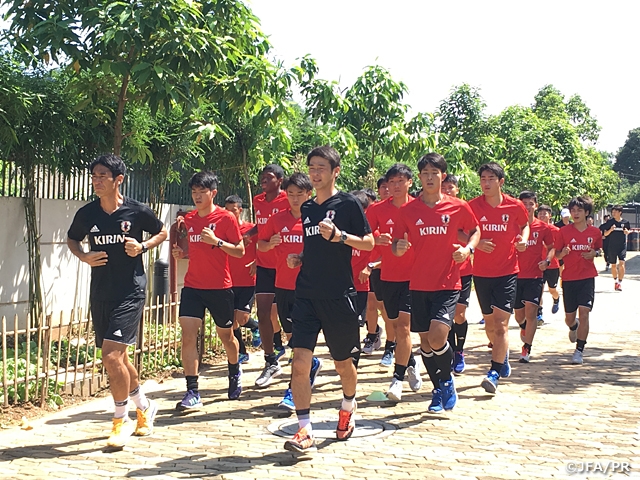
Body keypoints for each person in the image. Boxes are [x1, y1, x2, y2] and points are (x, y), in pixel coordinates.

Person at [67, 154, 167, 447]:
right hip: (101, 291)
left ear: (118, 180)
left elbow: (162, 230)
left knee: (111, 356)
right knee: (119, 359)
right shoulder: (87, 214)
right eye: (94, 176)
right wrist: (84, 256)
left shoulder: (136, 212)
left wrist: (143, 246)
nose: (96, 181)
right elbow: (72, 239)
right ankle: (145, 407)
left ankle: (119, 421)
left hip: (131, 291)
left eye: (102, 176)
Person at [283, 146, 374, 453]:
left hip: (339, 296)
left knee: (343, 364)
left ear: (335, 172)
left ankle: (348, 405)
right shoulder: (307, 208)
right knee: (299, 363)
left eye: (321, 167)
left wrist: (340, 237)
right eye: (312, 167)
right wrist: (300, 257)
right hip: (306, 294)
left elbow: (369, 242)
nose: (315, 173)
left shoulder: (347, 204)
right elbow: (314, 247)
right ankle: (304, 430)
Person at [393, 153, 479, 412]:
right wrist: (399, 247)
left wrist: (468, 250)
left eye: (435, 173)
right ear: (419, 177)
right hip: (418, 284)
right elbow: (397, 245)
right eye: (425, 173)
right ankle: (439, 387)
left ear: (443, 176)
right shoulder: (408, 210)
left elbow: (475, 231)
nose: (430, 178)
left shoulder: (458, 206)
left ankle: (447, 380)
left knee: (438, 337)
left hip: (448, 282)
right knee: (426, 343)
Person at [172, 172, 245, 409]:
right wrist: (182, 254)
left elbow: (240, 251)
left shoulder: (226, 218)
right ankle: (192, 391)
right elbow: (195, 249)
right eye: (194, 192)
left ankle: (234, 371)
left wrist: (218, 242)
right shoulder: (190, 218)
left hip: (220, 287)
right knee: (188, 335)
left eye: (201, 192)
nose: (197, 197)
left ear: (213, 193)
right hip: (193, 285)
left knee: (226, 336)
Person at [257, 172, 323, 411]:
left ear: (309, 194)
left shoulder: (316, 219)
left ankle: (293, 391)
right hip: (283, 286)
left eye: (300, 194)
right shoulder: (277, 219)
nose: (295, 199)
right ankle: (312, 364)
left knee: (299, 343)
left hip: (309, 287)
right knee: (291, 337)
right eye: (291, 194)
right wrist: (270, 244)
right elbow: (260, 244)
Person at [468, 162, 529, 394]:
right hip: (482, 274)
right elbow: (461, 230)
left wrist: (523, 240)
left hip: (507, 272)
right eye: (483, 178)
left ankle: (493, 372)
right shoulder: (472, 206)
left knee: (502, 324)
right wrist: (476, 243)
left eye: (490, 178)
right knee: (490, 325)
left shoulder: (515, 206)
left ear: (500, 182)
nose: (486, 182)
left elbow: (525, 226)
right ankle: (501, 356)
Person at [366, 164, 422, 402]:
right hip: (387, 276)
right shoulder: (377, 210)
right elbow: (366, 238)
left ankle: (396, 379)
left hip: (415, 276)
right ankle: (410, 361)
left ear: (410, 182)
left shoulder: (420, 208)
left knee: (404, 327)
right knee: (395, 326)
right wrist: (377, 240)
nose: (395, 186)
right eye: (392, 182)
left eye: (401, 181)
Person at [252, 165, 291, 386]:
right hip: (265, 264)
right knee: (263, 312)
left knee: (288, 317)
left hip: (286, 265)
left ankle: (301, 359)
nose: (264, 180)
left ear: (280, 180)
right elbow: (260, 227)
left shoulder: (289, 198)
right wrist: (246, 235)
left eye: (269, 177)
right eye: (262, 176)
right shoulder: (257, 201)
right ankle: (270, 360)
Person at [554, 196, 602, 364]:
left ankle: (579, 350)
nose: (575, 213)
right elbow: (557, 253)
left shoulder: (595, 232)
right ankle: (574, 326)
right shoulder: (564, 232)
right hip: (569, 278)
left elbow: (599, 250)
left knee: (585, 312)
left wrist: (594, 254)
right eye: (573, 210)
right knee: (569, 318)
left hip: (587, 278)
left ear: (586, 212)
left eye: (579, 210)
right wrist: (563, 254)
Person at [514, 192, 555, 363]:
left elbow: (552, 248)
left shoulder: (543, 228)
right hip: (514, 275)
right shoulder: (513, 226)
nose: (527, 207)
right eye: (524, 203)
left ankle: (526, 349)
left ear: (535, 206)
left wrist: (547, 261)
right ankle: (523, 327)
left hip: (535, 276)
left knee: (531, 312)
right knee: (519, 316)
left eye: (531, 203)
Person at [441, 175, 473, 373]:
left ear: (457, 189)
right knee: (446, 316)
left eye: (450, 187)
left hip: (463, 269)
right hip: (442, 271)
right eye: (444, 187)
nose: (446, 190)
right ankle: (450, 351)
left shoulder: (462, 208)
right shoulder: (434, 208)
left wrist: (453, 230)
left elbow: (473, 235)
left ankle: (459, 350)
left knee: (459, 314)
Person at [224, 195, 261, 364]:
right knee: (231, 321)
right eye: (227, 210)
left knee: (242, 318)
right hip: (229, 280)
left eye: (233, 210)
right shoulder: (223, 230)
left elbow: (265, 245)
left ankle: (256, 326)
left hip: (247, 280)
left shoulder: (251, 229)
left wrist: (257, 261)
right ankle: (242, 352)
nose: (230, 213)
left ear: (240, 210)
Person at [537, 205, 561, 316]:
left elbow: (558, 247)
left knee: (552, 290)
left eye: (544, 213)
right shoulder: (533, 228)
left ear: (550, 216)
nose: (542, 215)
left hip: (552, 265)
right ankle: (539, 313)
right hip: (537, 265)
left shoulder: (555, 230)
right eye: (540, 213)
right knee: (538, 291)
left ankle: (556, 298)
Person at [602, 205, 631, 291]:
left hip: (622, 246)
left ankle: (620, 282)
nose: (613, 214)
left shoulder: (626, 222)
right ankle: (615, 281)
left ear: (620, 212)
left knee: (622, 264)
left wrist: (626, 232)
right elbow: (605, 234)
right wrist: (610, 230)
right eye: (612, 212)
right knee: (613, 265)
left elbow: (628, 231)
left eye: (615, 212)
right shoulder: (610, 222)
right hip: (612, 246)